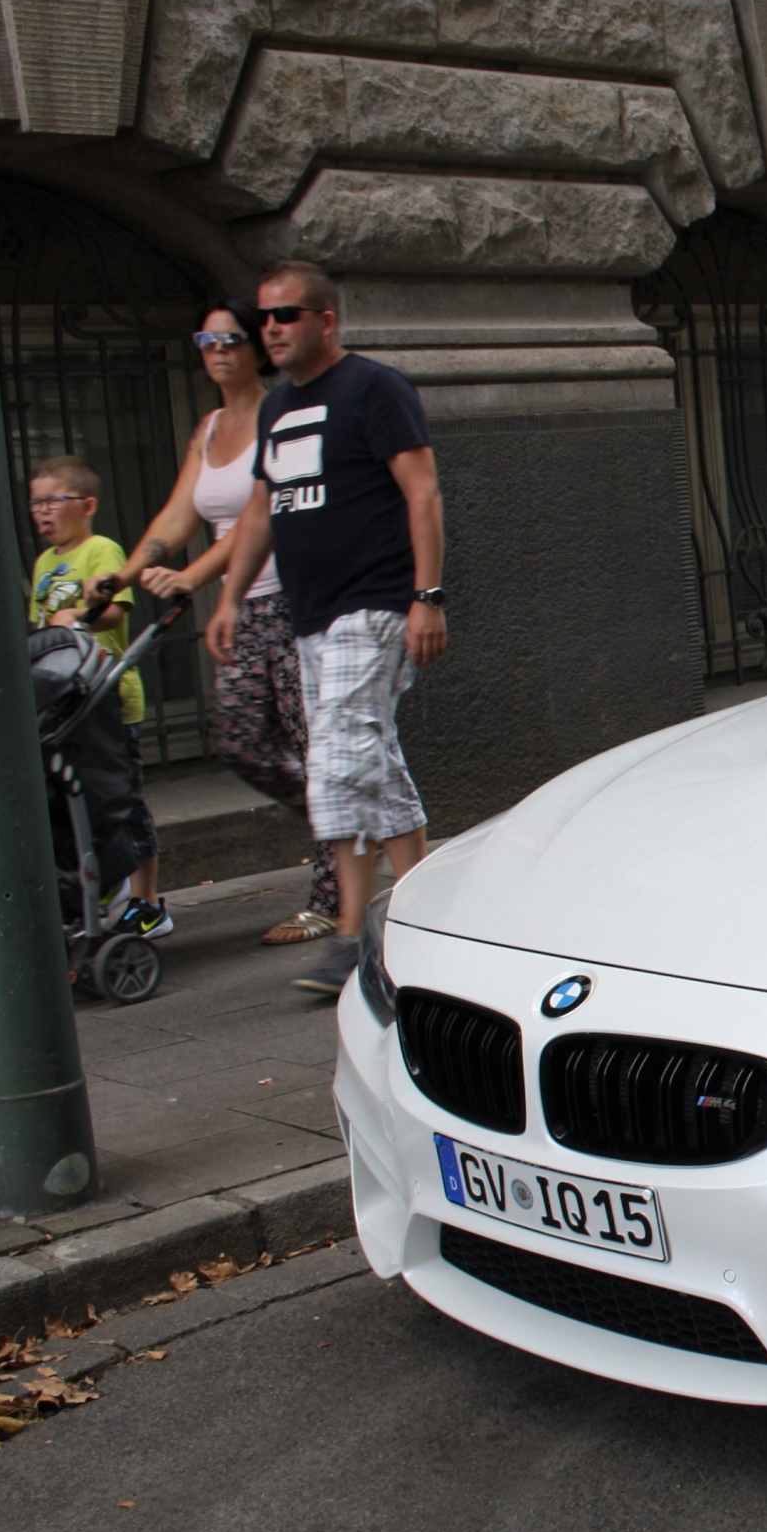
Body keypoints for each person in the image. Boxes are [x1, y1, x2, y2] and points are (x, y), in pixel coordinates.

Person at [205, 260, 447, 995]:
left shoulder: (374, 388)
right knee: (370, 757)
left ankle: (349, 938)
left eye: (285, 316)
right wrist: (230, 599)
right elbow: (257, 513)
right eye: (264, 319)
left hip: (371, 605)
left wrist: (427, 596)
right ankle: (426, 910)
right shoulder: (278, 408)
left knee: (337, 764)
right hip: (310, 615)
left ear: (325, 321)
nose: (269, 329)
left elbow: (422, 490)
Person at [111, 302, 342, 945]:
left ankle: (332, 894)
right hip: (242, 607)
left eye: (230, 338)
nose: (216, 349)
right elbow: (177, 517)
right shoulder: (210, 427)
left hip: (295, 601)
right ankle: (352, 822)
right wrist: (121, 577)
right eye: (205, 339)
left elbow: (257, 521)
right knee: (241, 741)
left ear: (255, 348)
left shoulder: (283, 416)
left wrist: (193, 578)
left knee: (313, 750)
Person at [27, 456, 166, 935]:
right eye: (35, 502)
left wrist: (79, 612)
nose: (41, 511)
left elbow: (114, 611)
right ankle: (108, 890)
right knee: (84, 802)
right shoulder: (45, 561)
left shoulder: (100, 548)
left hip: (106, 696)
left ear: (87, 505)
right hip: (66, 703)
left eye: (52, 500)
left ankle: (147, 903)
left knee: (123, 799)